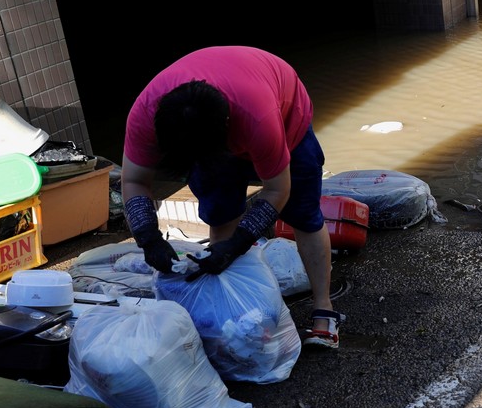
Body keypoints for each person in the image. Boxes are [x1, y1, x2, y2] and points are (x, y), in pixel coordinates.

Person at [121, 45, 345, 349]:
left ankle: (324, 311)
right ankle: (230, 309)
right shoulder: (147, 115)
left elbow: (278, 188)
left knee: (303, 214)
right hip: (217, 123)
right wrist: (147, 236)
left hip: (282, 107)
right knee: (221, 212)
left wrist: (239, 243)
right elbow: (134, 180)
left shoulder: (259, 118)